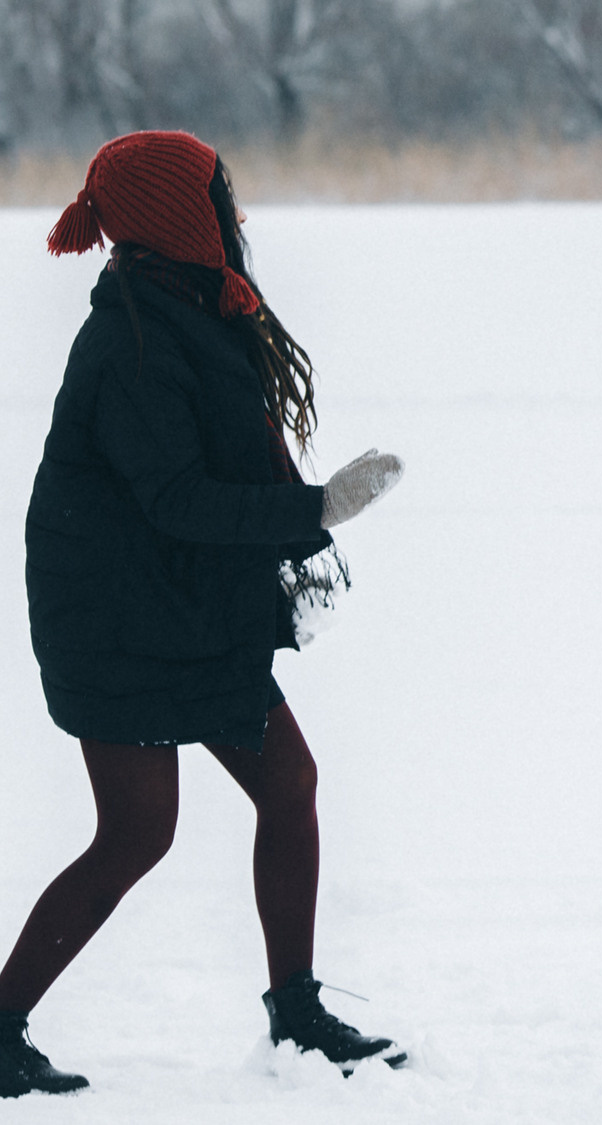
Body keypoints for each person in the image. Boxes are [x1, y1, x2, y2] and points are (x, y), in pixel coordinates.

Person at [0, 133, 409, 1099]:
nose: (230, 204)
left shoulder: (200, 304)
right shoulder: (130, 338)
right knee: (138, 832)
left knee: (290, 782)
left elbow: (220, 468)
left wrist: (299, 533)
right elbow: (178, 498)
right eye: (213, 190)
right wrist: (312, 510)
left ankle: (296, 1016)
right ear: (173, 212)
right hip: (115, 618)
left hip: (187, 606)